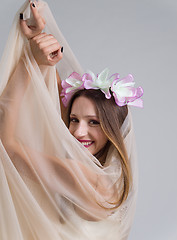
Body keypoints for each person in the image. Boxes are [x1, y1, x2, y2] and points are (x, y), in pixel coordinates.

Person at [0, 1, 143, 239]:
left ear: (113, 128)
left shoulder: (89, 179)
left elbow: (7, 149)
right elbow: (58, 105)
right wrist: (39, 41)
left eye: (94, 122)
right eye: (74, 119)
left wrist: (29, 62)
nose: (77, 132)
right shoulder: (114, 172)